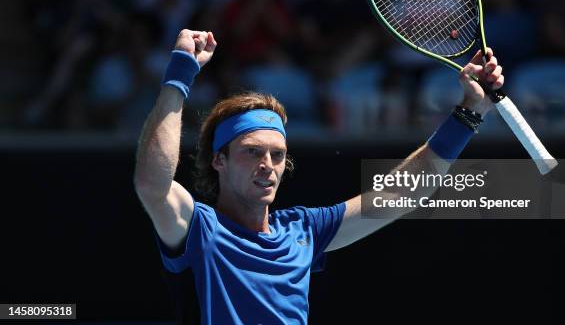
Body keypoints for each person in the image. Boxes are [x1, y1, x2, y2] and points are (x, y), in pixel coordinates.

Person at [133, 29, 504, 324]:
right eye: (251, 152)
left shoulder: (303, 231)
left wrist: (469, 112)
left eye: (277, 155)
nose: (268, 164)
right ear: (219, 161)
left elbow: (403, 194)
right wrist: (179, 76)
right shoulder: (198, 228)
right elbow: (152, 184)